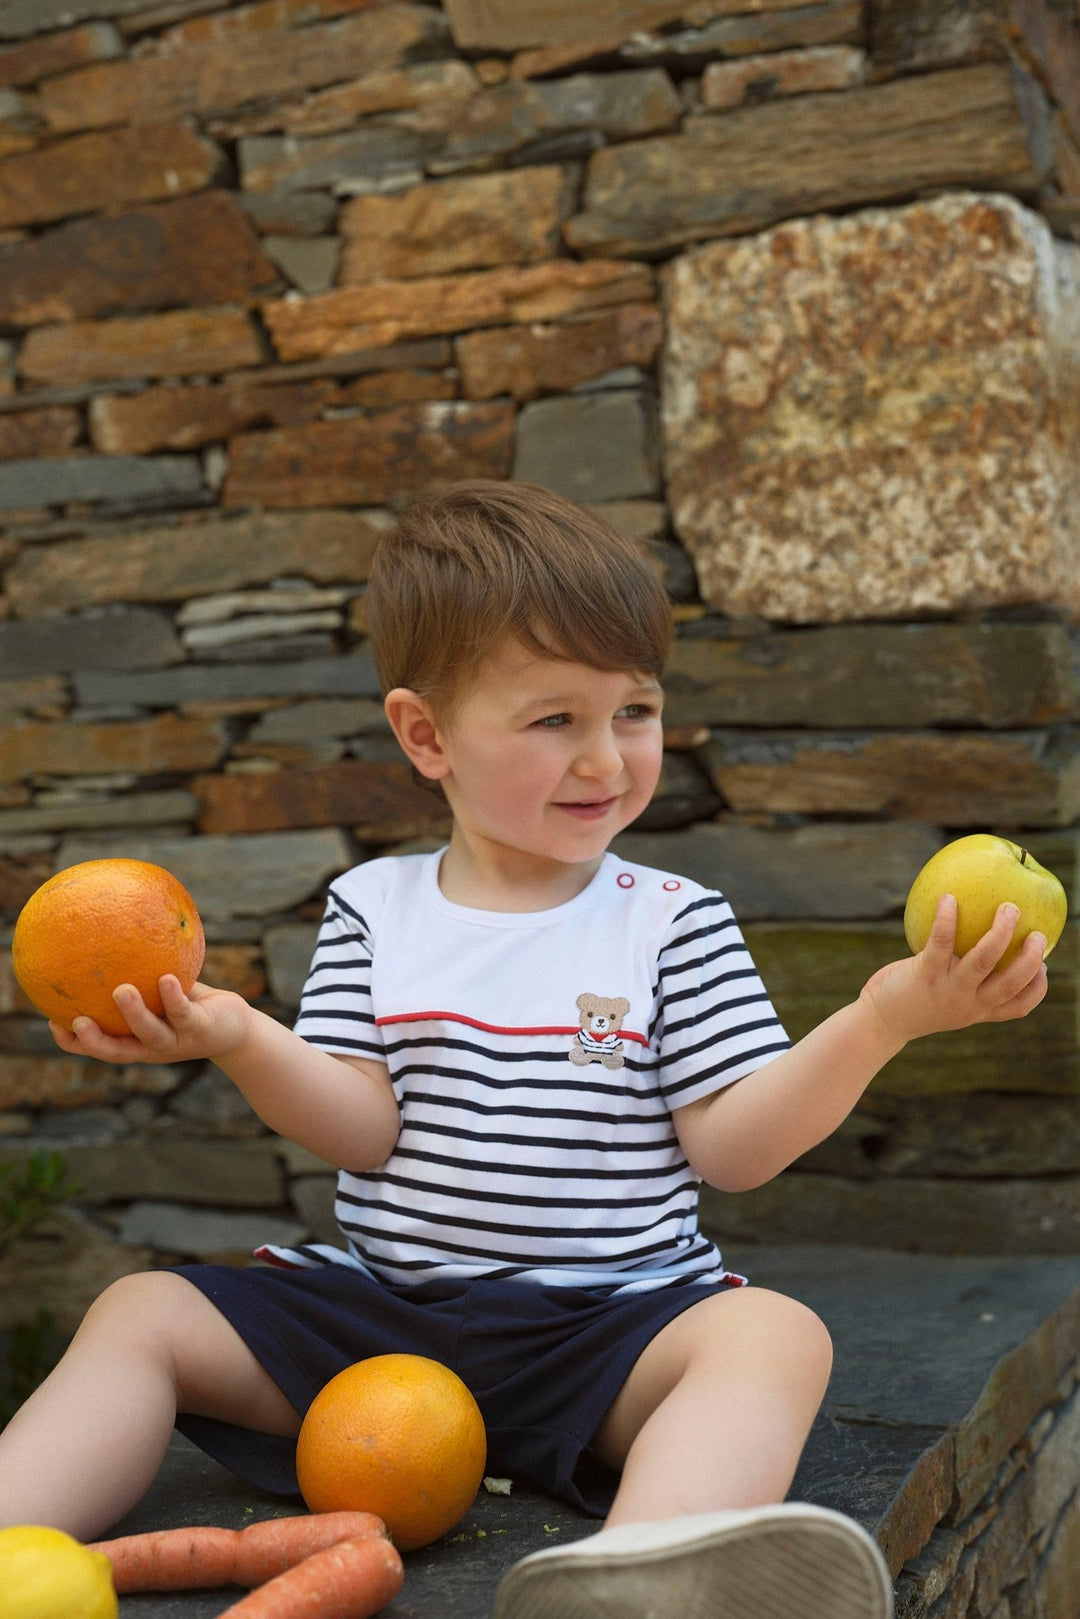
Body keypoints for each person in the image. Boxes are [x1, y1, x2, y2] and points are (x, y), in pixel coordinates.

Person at [0, 481, 1049, 1619]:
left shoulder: (672, 919)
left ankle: (637, 1573)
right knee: (142, 1314)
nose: (606, 758)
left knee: (774, 1335)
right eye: (555, 719)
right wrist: (237, 1032)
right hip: (379, 1332)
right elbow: (361, 1125)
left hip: (605, 1333)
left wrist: (882, 1016)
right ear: (426, 734)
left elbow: (736, 1150)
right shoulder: (372, 907)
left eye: (634, 711)